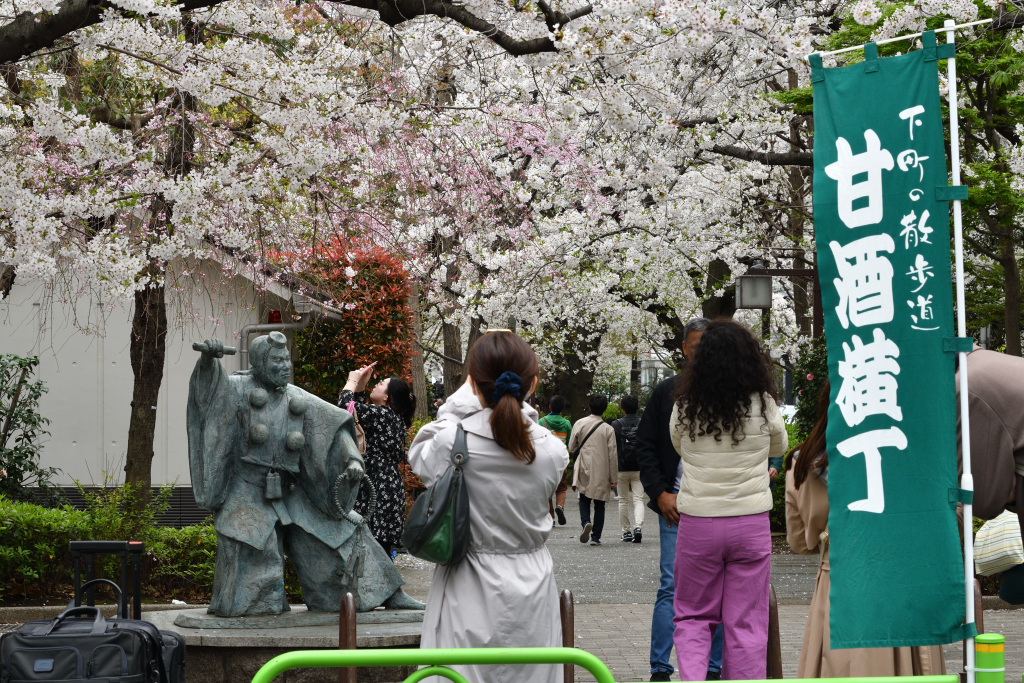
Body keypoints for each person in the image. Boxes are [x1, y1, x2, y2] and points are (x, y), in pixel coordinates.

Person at [186, 332, 422, 616]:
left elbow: (334, 424)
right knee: (256, 556)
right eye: (276, 360)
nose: (285, 365)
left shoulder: (296, 396)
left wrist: (351, 460)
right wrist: (208, 363)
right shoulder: (237, 389)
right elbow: (208, 397)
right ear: (260, 363)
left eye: (286, 359)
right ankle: (262, 609)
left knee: (345, 529)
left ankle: (387, 593)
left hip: (294, 491)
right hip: (247, 491)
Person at [408, 331, 569, 683]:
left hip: (468, 581)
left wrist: (456, 405)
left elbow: (419, 458)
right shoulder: (554, 452)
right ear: (533, 384)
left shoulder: (452, 441)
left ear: (474, 385)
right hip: (532, 586)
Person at [787, 381, 946, 677]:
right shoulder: (907, 453)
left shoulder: (803, 463)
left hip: (839, 581)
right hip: (903, 581)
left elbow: (800, 542)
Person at [669, 319, 787, 681]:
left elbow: (679, 446)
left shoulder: (686, 405)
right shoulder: (763, 404)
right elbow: (779, 446)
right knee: (746, 620)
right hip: (750, 521)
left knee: (692, 614)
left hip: (699, 521)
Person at [637, 317, 723, 682]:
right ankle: (660, 666)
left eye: (707, 344)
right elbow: (646, 446)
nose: (699, 351)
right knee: (672, 584)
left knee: (720, 588)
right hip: (676, 505)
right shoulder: (667, 392)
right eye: (694, 344)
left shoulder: (731, 391)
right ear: (684, 348)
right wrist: (660, 493)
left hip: (721, 506)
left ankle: (714, 667)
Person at [338, 366, 416, 556]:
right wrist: (361, 387)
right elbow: (355, 414)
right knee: (374, 547)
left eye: (381, 384)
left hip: (378, 488)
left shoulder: (383, 415)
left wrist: (353, 380)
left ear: (387, 397)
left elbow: (344, 410)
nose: (376, 384)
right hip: (385, 486)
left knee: (372, 549)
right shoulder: (388, 416)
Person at [568, 394, 618, 545]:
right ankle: (596, 537)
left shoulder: (580, 423)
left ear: (590, 407)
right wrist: (614, 478)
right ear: (605, 409)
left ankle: (585, 522)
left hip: (584, 464)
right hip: (602, 468)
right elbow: (613, 455)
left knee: (583, 497)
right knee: (600, 503)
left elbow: (571, 447)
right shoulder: (608, 429)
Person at [613, 395, 645, 543]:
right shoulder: (643, 423)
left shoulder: (616, 424)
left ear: (623, 408)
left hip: (621, 467)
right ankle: (638, 527)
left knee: (623, 501)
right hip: (639, 467)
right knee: (638, 499)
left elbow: (613, 447)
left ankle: (626, 532)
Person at [540, 395, 573, 525]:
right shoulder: (567, 423)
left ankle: (551, 517)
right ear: (562, 409)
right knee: (562, 487)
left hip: (546, 460)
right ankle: (560, 506)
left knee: (547, 489)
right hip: (561, 459)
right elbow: (570, 442)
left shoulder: (542, 422)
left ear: (549, 406)